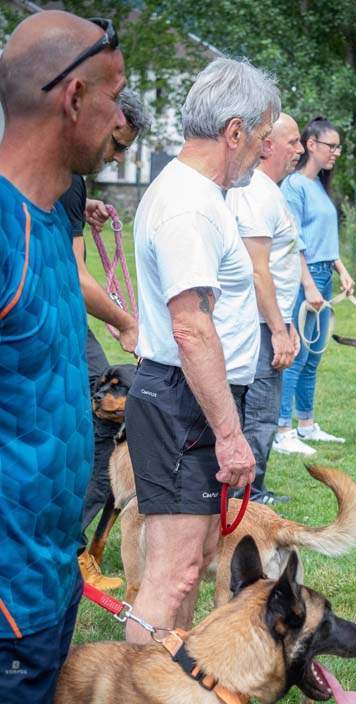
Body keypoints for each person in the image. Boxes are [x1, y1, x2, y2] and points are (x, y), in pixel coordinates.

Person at [0, 11, 126, 704]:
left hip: (50, 589)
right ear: (72, 97)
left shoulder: (50, 223)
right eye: (116, 98)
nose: (123, 120)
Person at [125, 58, 280, 642]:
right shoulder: (188, 205)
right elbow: (190, 328)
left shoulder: (203, 195)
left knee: (186, 575)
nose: (264, 153)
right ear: (234, 132)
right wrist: (231, 434)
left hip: (192, 399)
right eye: (262, 139)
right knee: (172, 576)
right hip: (183, 402)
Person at [58, 88, 152, 590]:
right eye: (117, 143)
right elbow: (75, 276)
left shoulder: (62, 175)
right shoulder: (69, 175)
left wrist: (79, 203)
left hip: (56, 316)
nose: (117, 156)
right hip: (55, 316)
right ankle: (71, 551)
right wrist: (128, 322)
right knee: (101, 418)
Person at [226, 112, 304, 504]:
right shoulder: (256, 192)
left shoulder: (269, 190)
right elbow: (258, 271)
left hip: (267, 321)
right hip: (258, 325)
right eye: (294, 141)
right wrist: (278, 329)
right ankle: (247, 495)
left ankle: (250, 489)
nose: (301, 149)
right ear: (269, 145)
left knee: (263, 409)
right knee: (259, 410)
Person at [273, 115, 354, 454]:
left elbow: (324, 238)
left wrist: (342, 269)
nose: (336, 152)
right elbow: (295, 240)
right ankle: (282, 430)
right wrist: (309, 285)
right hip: (304, 278)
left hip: (324, 275)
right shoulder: (292, 186)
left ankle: (306, 425)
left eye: (338, 147)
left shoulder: (320, 186)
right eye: (330, 145)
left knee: (313, 357)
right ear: (311, 145)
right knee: (296, 353)